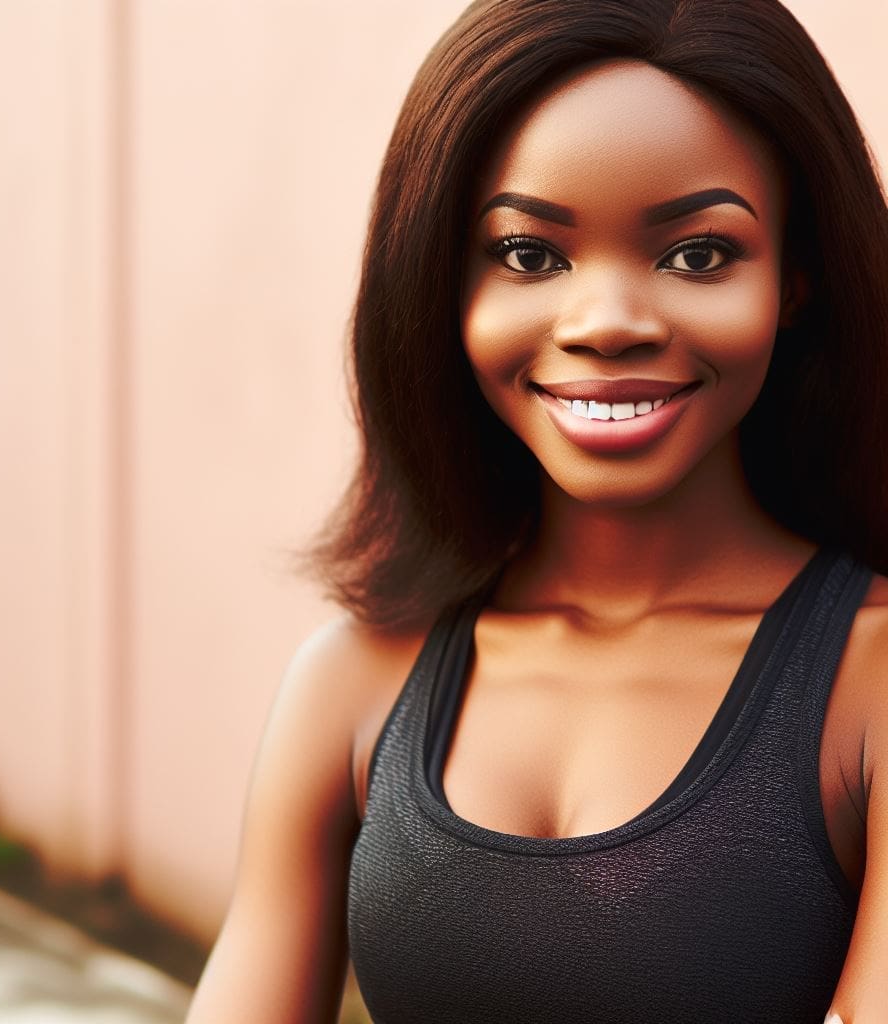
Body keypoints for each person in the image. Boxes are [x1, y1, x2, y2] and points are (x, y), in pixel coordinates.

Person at [186, 1, 888, 1021]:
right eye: (528, 255)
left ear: (798, 280)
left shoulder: (865, 683)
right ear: (440, 282)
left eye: (697, 254)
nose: (604, 323)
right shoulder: (354, 679)